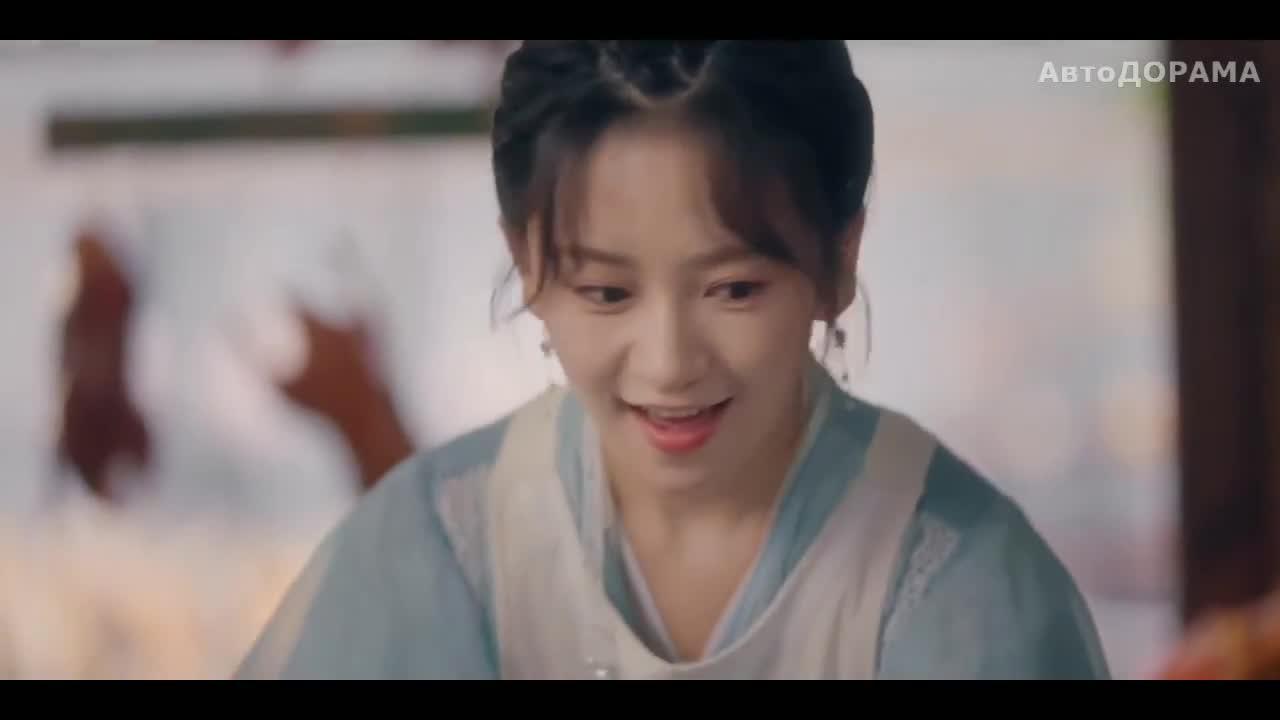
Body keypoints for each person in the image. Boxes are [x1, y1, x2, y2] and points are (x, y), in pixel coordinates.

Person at [234, 40, 1111, 680]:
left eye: (734, 289)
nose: (669, 365)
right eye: (607, 293)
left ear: (838, 261)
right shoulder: (433, 547)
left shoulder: (962, 587)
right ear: (527, 263)